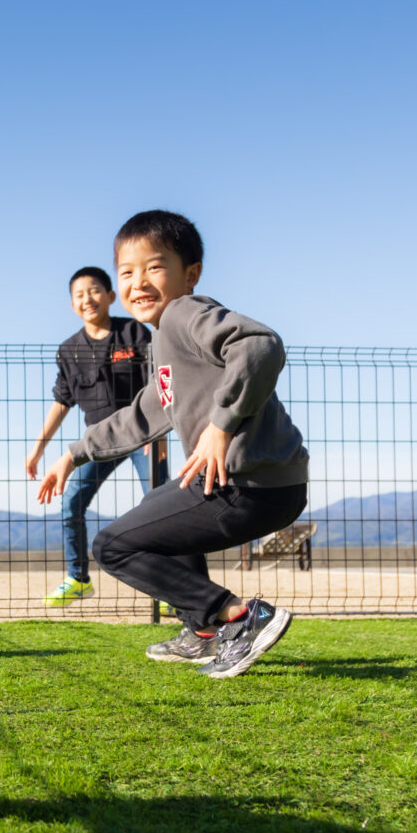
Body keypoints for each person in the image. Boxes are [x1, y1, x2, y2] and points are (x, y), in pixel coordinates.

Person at [36, 211, 309, 679]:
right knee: (159, 511)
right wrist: (74, 452)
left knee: (113, 546)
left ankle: (239, 617)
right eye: (127, 272)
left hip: (250, 483)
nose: (138, 281)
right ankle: (203, 633)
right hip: (260, 483)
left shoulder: (185, 314)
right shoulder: (163, 340)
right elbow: (143, 413)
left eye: (154, 267)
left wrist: (221, 425)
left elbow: (261, 345)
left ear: (191, 274)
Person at [26, 267, 168, 606]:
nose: (86, 299)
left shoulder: (136, 333)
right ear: (72, 303)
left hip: (143, 435)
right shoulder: (69, 350)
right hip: (97, 442)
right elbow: (62, 402)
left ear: (110, 296)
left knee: (165, 506)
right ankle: (77, 578)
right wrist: (37, 450)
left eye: (93, 291)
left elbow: (160, 385)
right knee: (70, 504)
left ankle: (171, 587)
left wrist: (159, 436)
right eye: (79, 294)